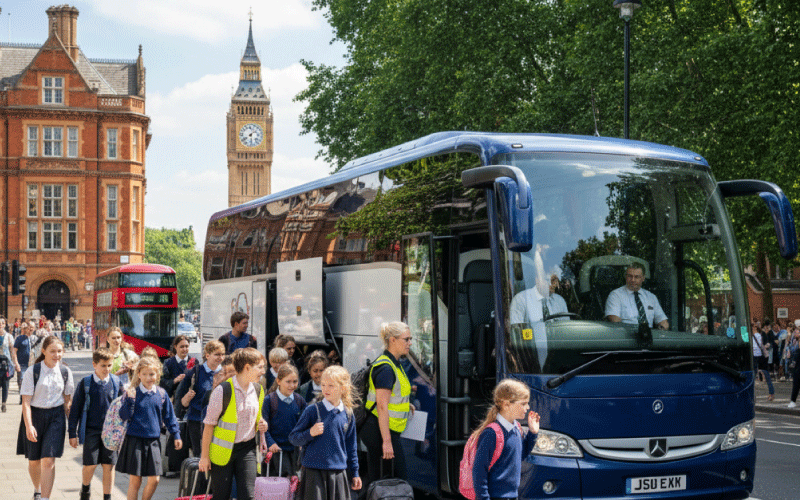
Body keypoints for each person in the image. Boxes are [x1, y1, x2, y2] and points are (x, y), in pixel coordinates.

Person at [199, 347, 269, 500]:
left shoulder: (258, 390)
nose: (263, 371)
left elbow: (257, 417)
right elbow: (208, 426)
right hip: (222, 452)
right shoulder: (222, 391)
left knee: (248, 496)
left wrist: (262, 427)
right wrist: (204, 457)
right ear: (247, 367)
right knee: (221, 496)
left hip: (247, 449)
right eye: (260, 367)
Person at [289, 365, 361, 499]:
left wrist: (355, 473)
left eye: (331, 385)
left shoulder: (348, 414)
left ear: (343, 388)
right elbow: (293, 438)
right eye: (323, 385)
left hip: (339, 473)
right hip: (314, 473)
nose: (325, 389)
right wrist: (310, 432)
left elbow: (351, 447)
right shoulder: (312, 410)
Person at [359, 321, 415, 493]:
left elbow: (392, 396)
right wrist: (387, 442)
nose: (410, 343)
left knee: (382, 480)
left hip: (382, 428)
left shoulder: (394, 363)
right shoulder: (386, 367)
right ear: (392, 340)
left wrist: (406, 405)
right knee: (396, 479)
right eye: (406, 339)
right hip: (378, 429)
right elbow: (382, 407)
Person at [16, 336, 75, 500]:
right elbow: (26, 402)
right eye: (53, 351)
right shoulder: (32, 371)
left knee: (48, 460)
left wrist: (73, 430)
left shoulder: (65, 372)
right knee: (34, 461)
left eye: (59, 351)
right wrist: (29, 426)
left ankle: (45, 498)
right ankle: (37, 489)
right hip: (34, 416)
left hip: (56, 417)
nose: (57, 355)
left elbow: (67, 402)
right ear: (43, 351)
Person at [116, 356, 182, 500]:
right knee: (135, 481)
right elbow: (123, 416)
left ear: (157, 374)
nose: (148, 378)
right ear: (138, 374)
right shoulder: (132, 392)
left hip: (153, 442)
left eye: (151, 374)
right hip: (135, 441)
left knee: (155, 480)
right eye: (144, 374)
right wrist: (130, 401)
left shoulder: (161, 394)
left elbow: (170, 417)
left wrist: (176, 434)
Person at [68, 348, 123, 500]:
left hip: (110, 432)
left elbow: (122, 406)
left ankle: (107, 496)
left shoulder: (116, 383)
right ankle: (85, 490)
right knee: (90, 465)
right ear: (94, 364)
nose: (107, 369)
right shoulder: (86, 383)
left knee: (108, 465)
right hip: (91, 430)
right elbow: (75, 410)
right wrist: (72, 433)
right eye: (103, 365)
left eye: (110, 365)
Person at [471, 379, 540, 500]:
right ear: (506, 404)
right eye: (523, 403)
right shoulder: (491, 433)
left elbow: (520, 455)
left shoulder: (517, 428)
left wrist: (533, 433)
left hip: (512, 496)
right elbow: (479, 471)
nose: (527, 407)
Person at [175, 340, 225, 456]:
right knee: (200, 455)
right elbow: (180, 400)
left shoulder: (227, 373)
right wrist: (186, 399)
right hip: (197, 421)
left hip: (219, 422)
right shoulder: (195, 372)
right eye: (217, 354)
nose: (220, 357)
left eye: (222, 354)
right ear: (207, 355)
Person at [263, 363, 306, 477]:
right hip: (276, 452)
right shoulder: (270, 400)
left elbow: (305, 423)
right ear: (278, 381)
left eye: (295, 382)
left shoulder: (299, 400)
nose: (292, 385)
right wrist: (270, 443)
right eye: (288, 381)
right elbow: (264, 427)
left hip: (295, 452)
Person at [605, 262, 669, 329]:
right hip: (627, 335)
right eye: (630, 276)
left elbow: (663, 321)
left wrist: (661, 331)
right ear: (625, 277)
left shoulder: (651, 297)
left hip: (649, 335)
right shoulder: (616, 295)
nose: (633, 280)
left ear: (643, 278)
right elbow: (615, 321)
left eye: (636, 277)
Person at [753, 324, 775, 401]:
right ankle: (771, 393)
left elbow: (767, 344)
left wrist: (762, 346)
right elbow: (767, 344)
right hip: (761, 357)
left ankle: (751, 396)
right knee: (766, 374)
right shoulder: (761, 334)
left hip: (757, 357)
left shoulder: (757, 335)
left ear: (755, 327)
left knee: (753, 376)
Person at [13, 324, 34, 404]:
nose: (30, 329)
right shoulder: (20, 338)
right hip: (22, 364)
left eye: (32, 327)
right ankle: (22, 397)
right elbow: (14, 351)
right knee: (21, 381)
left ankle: (28, 398)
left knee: (31, 381)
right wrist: (16, 363)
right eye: (29, 327)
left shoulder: (34, 338)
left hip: (32, 364)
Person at [0, 318, 14, 412]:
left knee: (5, 384)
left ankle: (4, 403)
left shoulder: (9, 336)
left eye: (2, 323)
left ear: (5, 325)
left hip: (5, 361)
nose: (0, 324)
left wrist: (14, 362)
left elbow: (12, 350)